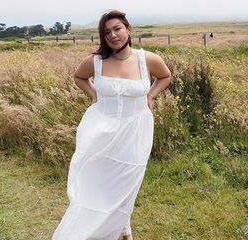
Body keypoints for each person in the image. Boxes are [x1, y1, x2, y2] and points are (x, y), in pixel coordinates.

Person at [52, 10, 171, 240]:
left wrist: (151, 96)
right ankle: (107, 231)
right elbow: (79, 77)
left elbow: (165, 76)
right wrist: (94, 95)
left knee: (126, 183)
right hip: (100, 130)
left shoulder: (147, 59)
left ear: (128, 29)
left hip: (136, 131)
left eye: (117, 29)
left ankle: (124, 230)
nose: (113, 35)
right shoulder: (96, 61)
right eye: (107, 32)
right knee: (98, 184)